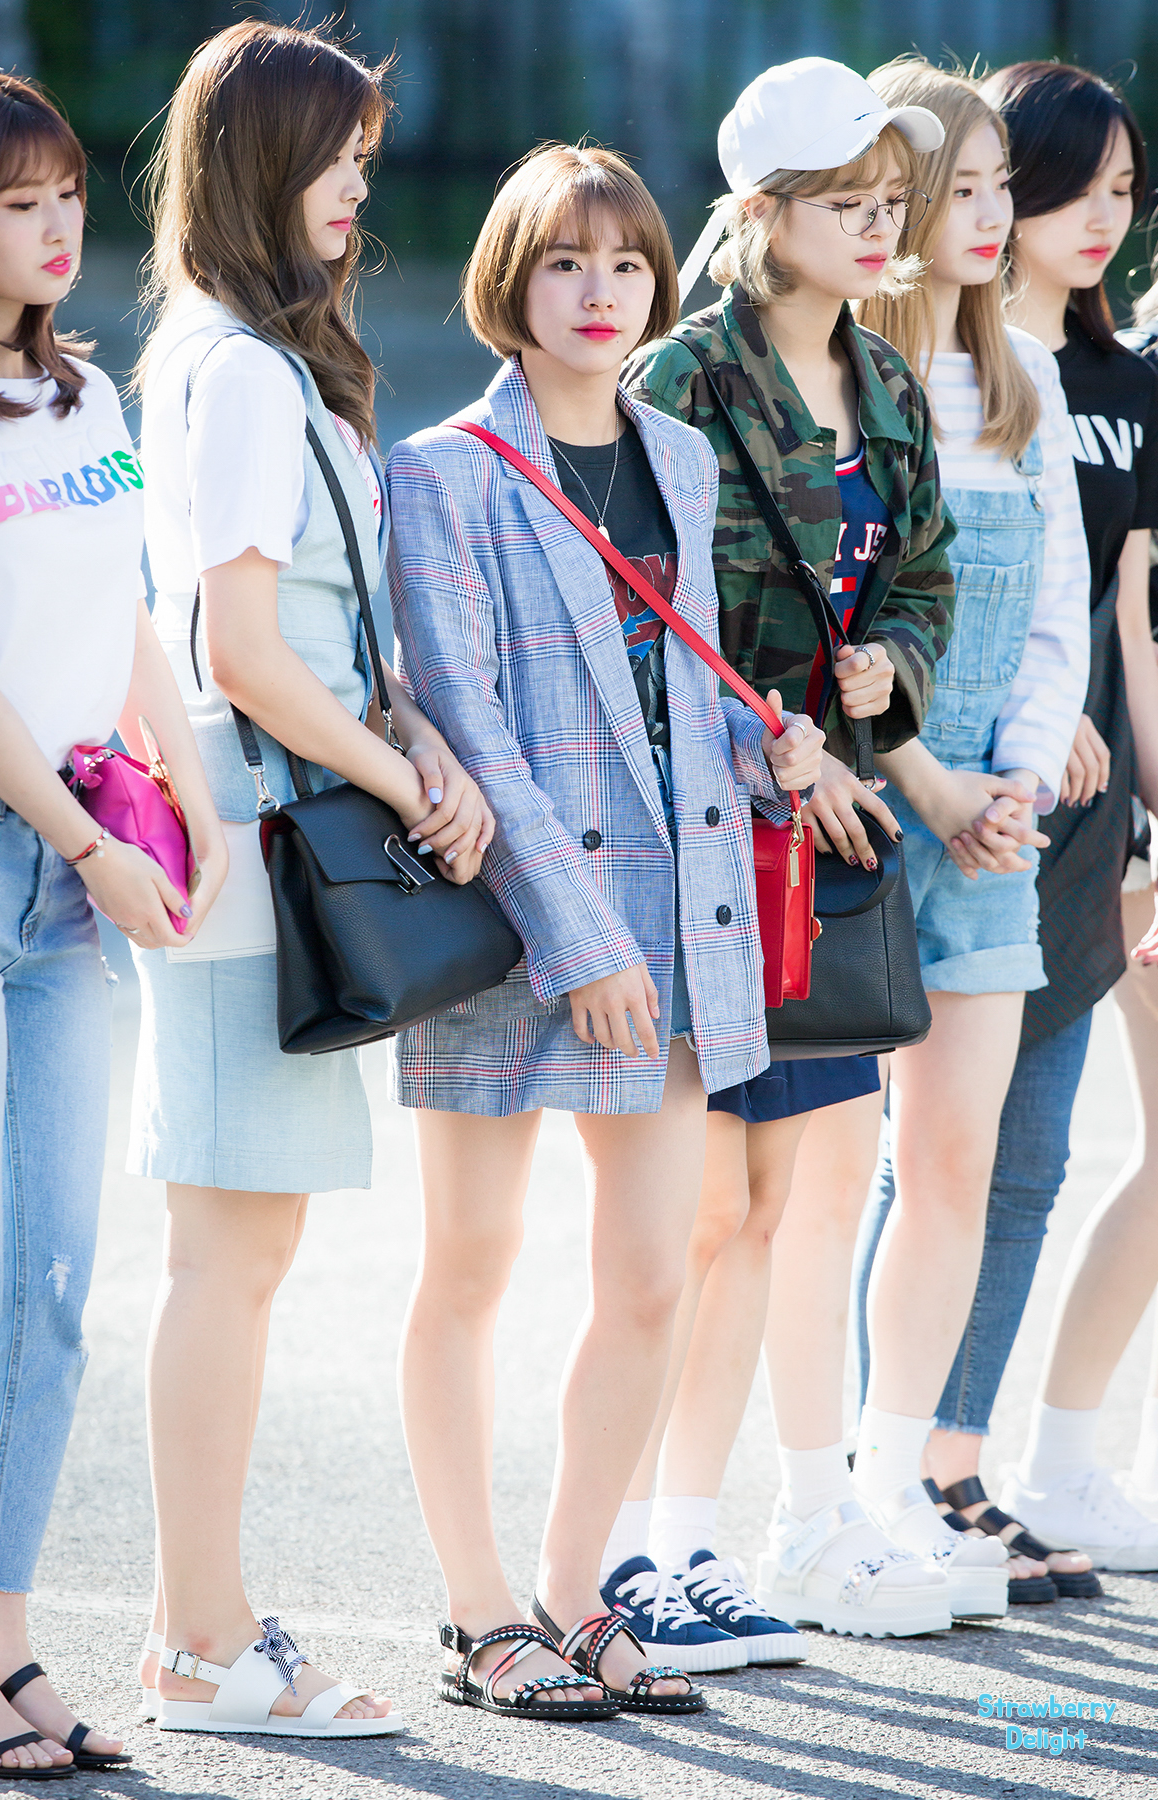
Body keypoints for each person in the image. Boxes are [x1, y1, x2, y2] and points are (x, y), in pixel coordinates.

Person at [387, 141, 823, 1720]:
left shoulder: (679, 457)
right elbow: (467, 721)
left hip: (678, 909)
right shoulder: (443, 470)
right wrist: (578, 941)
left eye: (628, 262)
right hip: (513, 917)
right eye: (566, 262)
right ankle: (477, 1612)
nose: (601, 292)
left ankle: (575, 1594)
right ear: (511, 281)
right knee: (472, 1263)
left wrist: (768, 748)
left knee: (653, 1274)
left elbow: (672, 691)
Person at [133, 21, 493, 1740]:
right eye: (337, 157)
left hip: (259, 828)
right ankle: (203, 1645)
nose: (360, 184)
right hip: (240, 835)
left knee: (243, 1249)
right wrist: (410, 775)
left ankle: (197, 1632)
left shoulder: (249, 360)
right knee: (228, 1254)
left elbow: (315, 632)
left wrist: (404, 725)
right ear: (264, 165)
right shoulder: (239, 372)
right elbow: (244, 653)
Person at [616, 55, 983, 1650]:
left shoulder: (887, 380)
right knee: (709, 1215)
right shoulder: (685, 376)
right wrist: (788, 743)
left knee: (809, 1195)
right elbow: (646, 613)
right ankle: (651, 1541)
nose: (881, 225)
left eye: (890, 199)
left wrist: (893, 670)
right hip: (714, 838)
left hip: (832, 850)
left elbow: (926, 574)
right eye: (848, 202)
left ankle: (783, 1522)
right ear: (765, 213)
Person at [0, 67, 226, 1778]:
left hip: (74, 866)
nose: (62, 226)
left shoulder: (87, 394)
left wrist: (193, 793)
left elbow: (127, 611)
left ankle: (4, 1645)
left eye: (70, 194)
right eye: (20, 201)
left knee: (54, 1287)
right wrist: (83, 842)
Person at [862, 60, 1158, 1573]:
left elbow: (1089, 618)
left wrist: (1040, 769)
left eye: (1127, 192)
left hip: (1025, 812)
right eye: (966, 188)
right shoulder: (853, 374)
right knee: (849, 1172)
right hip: (874, 803)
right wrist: (948, 774)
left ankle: (933, 1472)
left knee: (993, 1158)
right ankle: (848, 1487)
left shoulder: (1060, 381)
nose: (1100, 216)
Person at [990, 223, 1158, 1550]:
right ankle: (1037, 1460)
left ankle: (1062, 1462)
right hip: (1099, 806)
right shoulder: (1108, 382)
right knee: (992, 1156)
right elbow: (1126, 616)